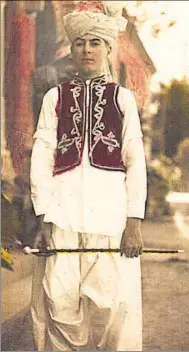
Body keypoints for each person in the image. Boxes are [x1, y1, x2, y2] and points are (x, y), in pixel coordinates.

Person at [23, 3, 147, 351]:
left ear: (108, 48)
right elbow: (43, 155)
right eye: (81, 43)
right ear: (72, 49)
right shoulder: (55, 98)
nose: (87, 50)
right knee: (60, 305)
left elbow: (135, 161)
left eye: (95, 43)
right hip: (63, 216)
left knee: (111, 307)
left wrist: (133, 221)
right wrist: (43, 215)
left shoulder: (122, 99)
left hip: (109, 218)